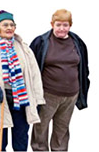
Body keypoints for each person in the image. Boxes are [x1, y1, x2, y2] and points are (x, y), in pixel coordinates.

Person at [0, 10, 45, 151]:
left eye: (12, 25)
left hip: (22, 100)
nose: (9, 27)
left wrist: (38, 100)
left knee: (21, 139)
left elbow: (34, 75)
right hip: (0, 98)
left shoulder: (24, 48)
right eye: (5, 25)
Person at [30, 9, 90, 151]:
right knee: (41, 127)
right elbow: (30, 68)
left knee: (62, 130)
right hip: (47, 95)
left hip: (71, 96)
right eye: (58, 25)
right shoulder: (41, 42)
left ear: (70, 25)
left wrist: (83, 88)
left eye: (65, 25)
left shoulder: (77, 42)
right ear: (52, 24)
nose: (61, 28)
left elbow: (84, 67)